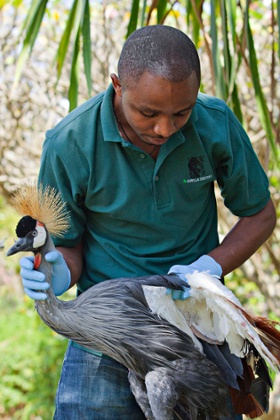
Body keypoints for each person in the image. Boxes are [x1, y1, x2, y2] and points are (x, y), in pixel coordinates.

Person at [19, 25, 276, 419]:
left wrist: (210, 266)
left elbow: (260, 214)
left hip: (196, 331)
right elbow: (68, 247)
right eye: (148, 112)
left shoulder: (215, 123)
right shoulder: (70, 142)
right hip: (106, 336)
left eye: (181, 113)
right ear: (117, 86)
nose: (165, 129)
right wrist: (56, 273)